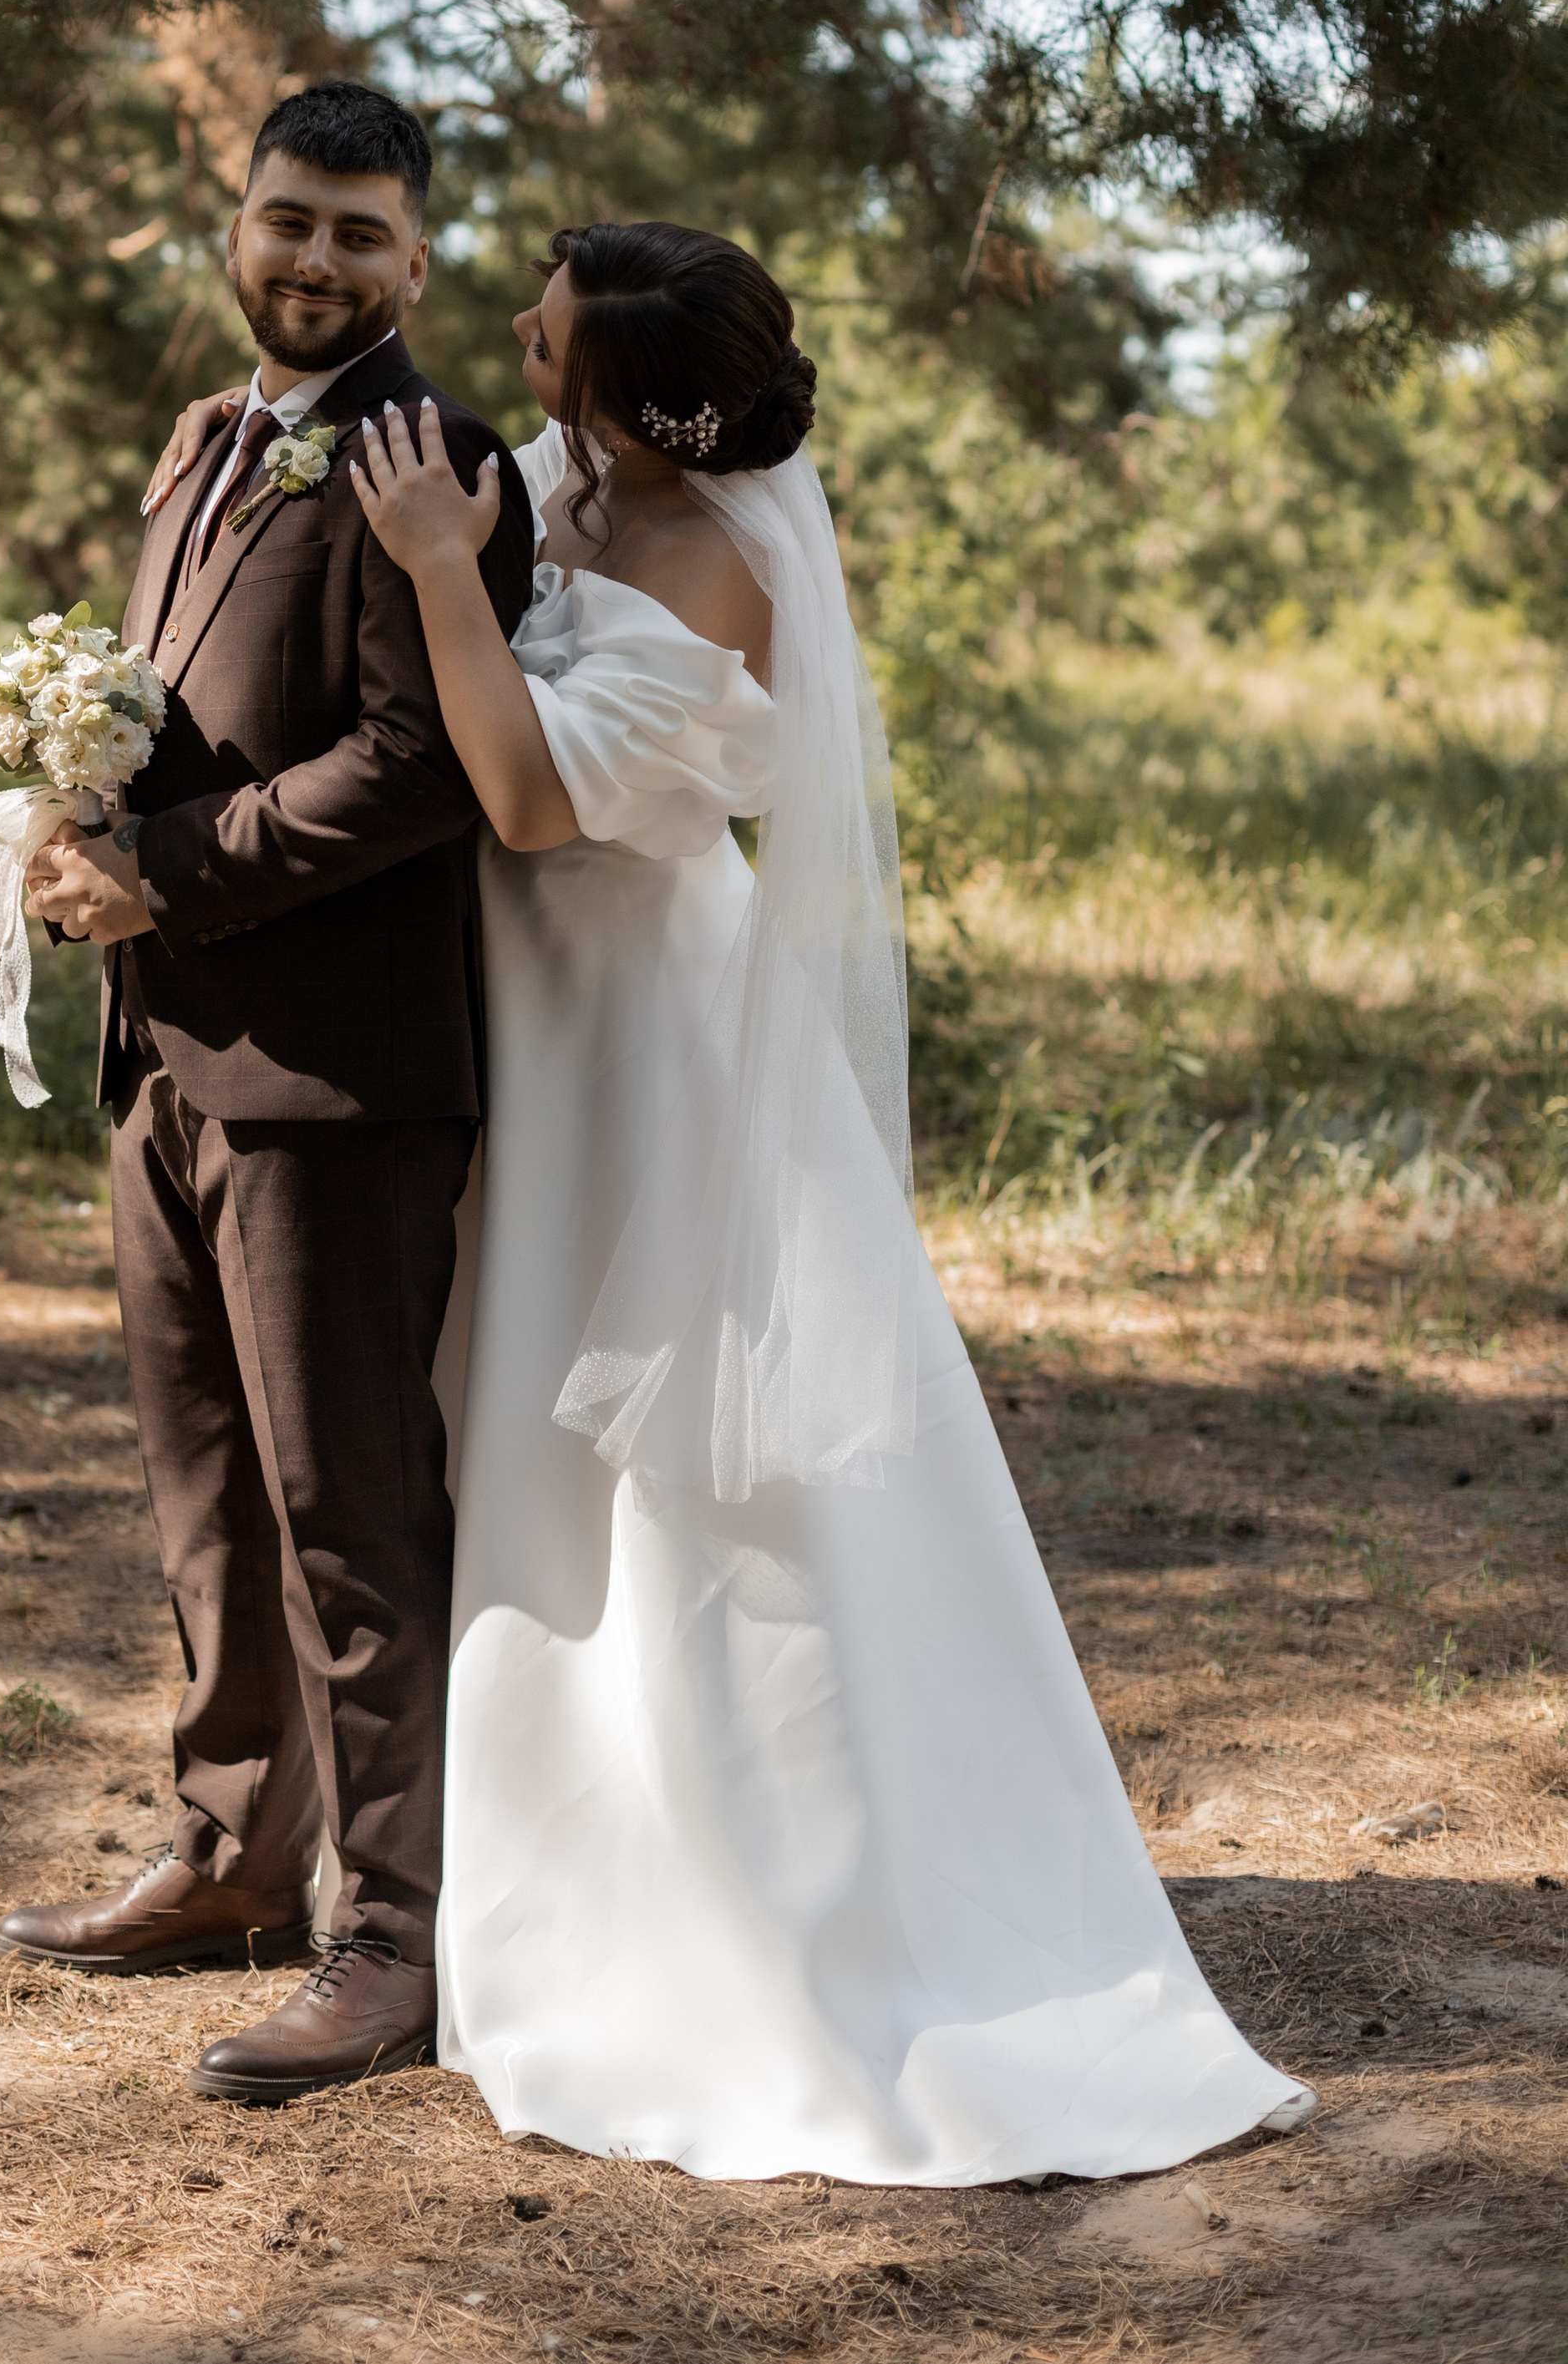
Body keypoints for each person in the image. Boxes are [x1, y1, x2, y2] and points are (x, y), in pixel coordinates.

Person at [329, 218, 1315, 2184]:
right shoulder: (557, 481)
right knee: (514, 1413)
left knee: (689, 1470)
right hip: (521, 1018)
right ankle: (516, 1849)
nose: (511, 324)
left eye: (543, 317)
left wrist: (443, 574)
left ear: (600, 379)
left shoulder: (716, 558)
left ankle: (745, 1892)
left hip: (646, 1035)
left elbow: (529, 799)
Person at [0, 81, 535, 2105]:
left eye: (359, 235)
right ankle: (234, 1853)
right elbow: (159, 709)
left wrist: (173, 869)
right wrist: (72, 847)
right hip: (165, 1052)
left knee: (352, 1514)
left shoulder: (436, 454)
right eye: (286, 220)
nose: (315, 260)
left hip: (338, 1078)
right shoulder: (205, 443)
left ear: (416, 260)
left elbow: (421, 761)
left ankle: (392, 1935)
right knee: (204, 1493)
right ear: (238, 221)